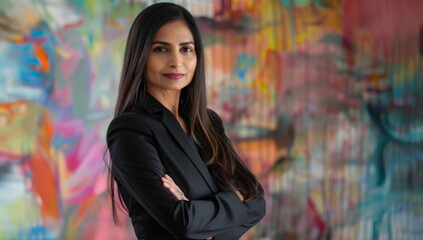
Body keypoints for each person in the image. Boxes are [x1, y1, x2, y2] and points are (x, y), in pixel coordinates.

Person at [106, 2, 266, 239]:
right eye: (161, 49)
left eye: (186, 49)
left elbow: (256, 202)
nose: (176, 62)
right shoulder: (130, 131)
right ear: (141, 55)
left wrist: (200, 218)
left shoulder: (208, 123)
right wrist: (233, 202)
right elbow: (183, 222)